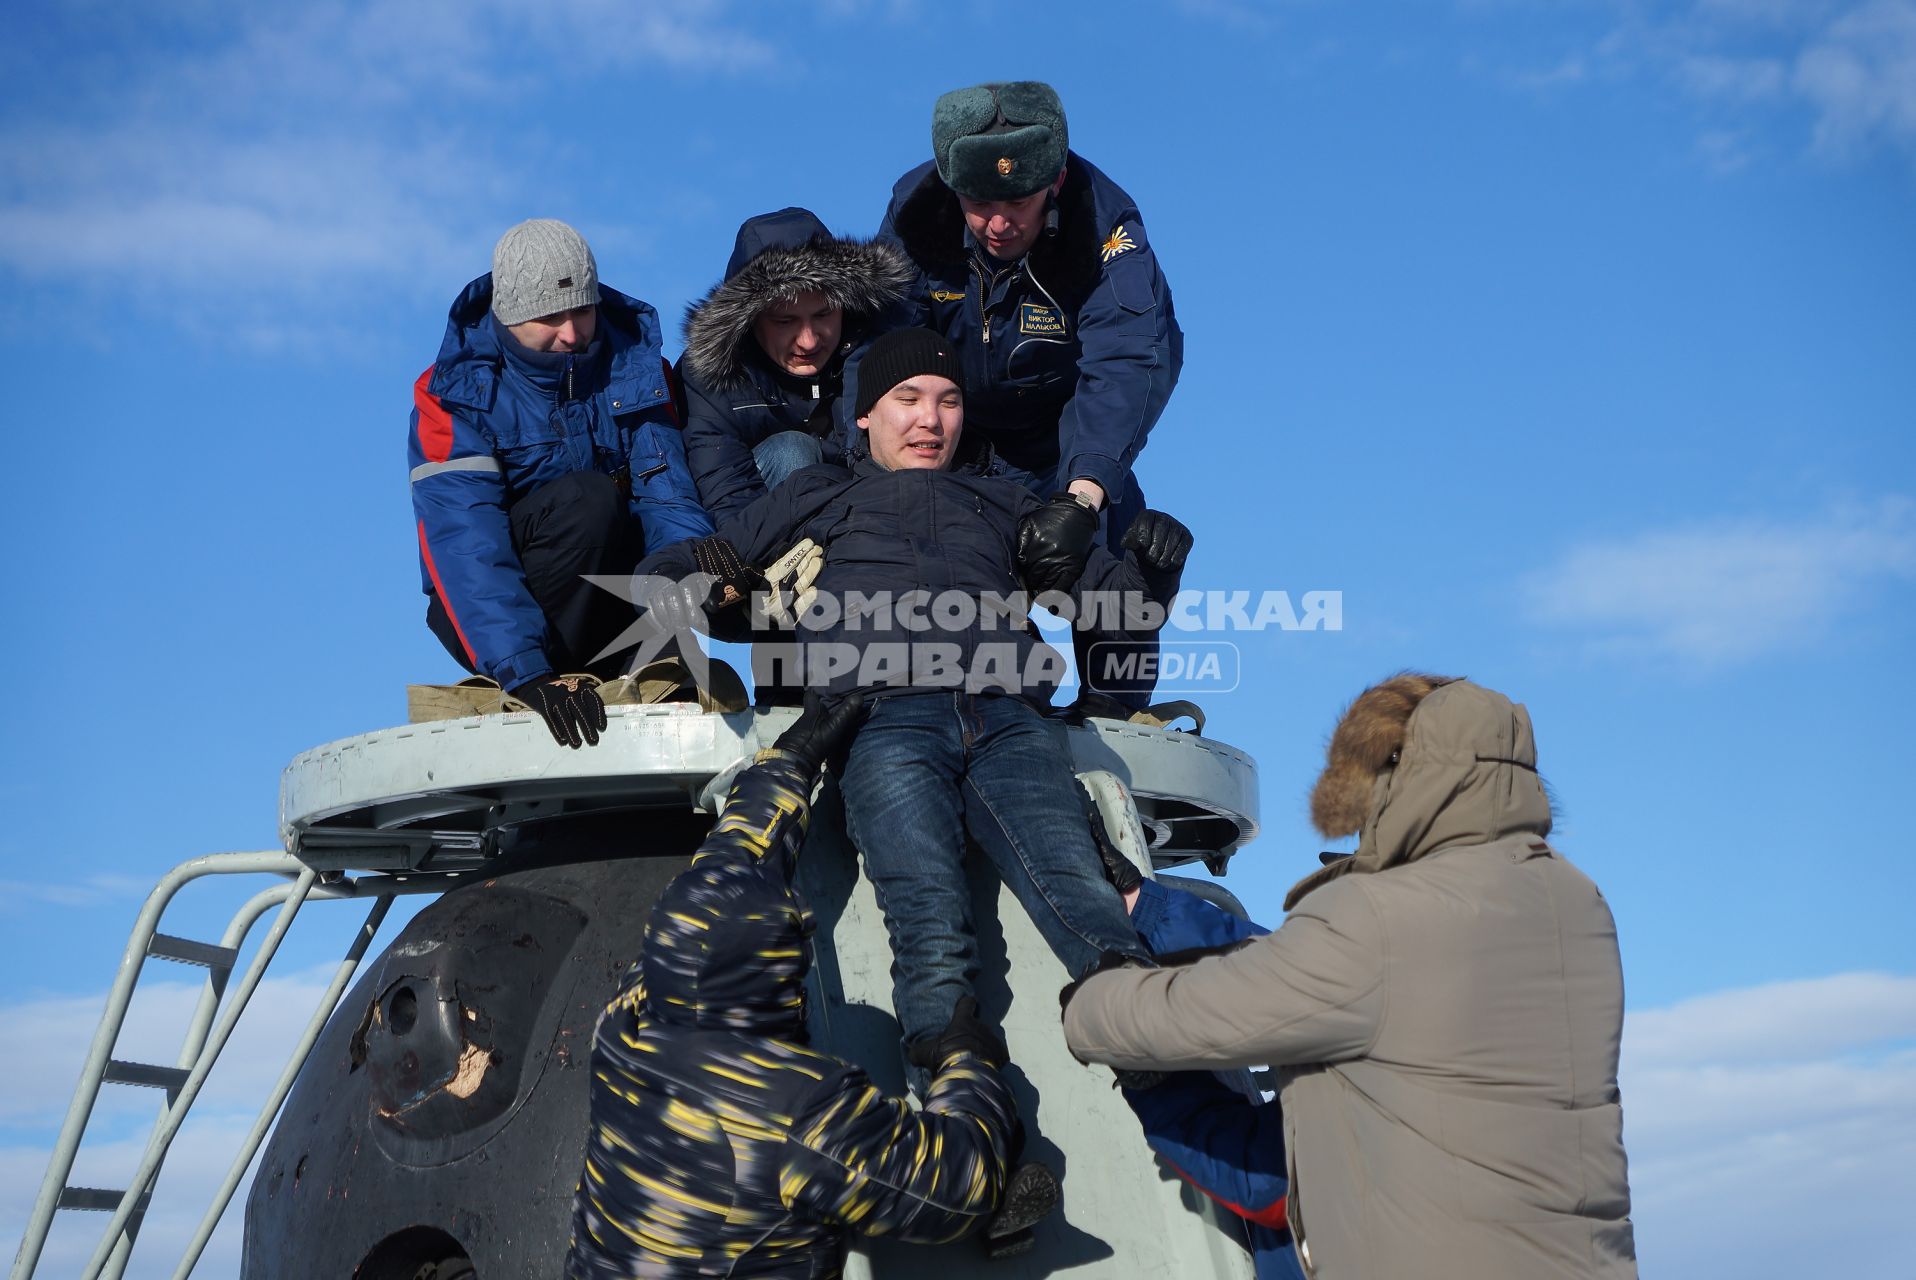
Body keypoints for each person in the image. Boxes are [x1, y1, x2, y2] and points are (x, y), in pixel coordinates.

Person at [632, 327, 1190, 1088]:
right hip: (883, 720)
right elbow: (666, 573)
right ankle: (965, 1127)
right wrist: (705, 576)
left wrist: (1156, 572)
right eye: (908, 400)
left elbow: (1112, 602)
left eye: (948, 400)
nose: (930, 420)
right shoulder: (818, 493)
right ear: (864, 415)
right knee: (926, 915)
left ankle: (1158, 1064)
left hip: (1009, 719)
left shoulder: (1005, 502)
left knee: (1081, 892)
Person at [1062, 675, 1639, 1279]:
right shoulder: (1570, 908)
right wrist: (1152, 905)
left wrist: (1105, 1018)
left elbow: (1268, 1179)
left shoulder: (1381, 921)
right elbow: (1313, 972)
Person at [566, 692, 1058, 1278]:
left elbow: (726, 867)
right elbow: (961, 1186)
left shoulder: (630, 1019)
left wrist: (789, 762)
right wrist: (967, 1064)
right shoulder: (800, 1117)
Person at [875, 81, 1182, 712]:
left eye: (1018, 201)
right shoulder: (914, 212)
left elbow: (1124, 364)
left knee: (1106, 537)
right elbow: (882, 354)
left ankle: (1116, 706)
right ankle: (993, 692)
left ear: (1056, 179)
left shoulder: (1107, 228)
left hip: (1069, 420)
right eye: (979, 202)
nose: (997, 223)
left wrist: (1083, 494)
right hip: (959, 423)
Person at [408, 218, 715, 749]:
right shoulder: (452, 397)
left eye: (583, 311)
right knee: (589, 500)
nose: (571, 334)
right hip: (494, 616)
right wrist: (524, 669)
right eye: (550, 318)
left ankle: (631, 660)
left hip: (611, 598)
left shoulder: (638, 372)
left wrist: (677, 605)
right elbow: (465, 545)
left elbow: (667, 498)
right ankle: (550, 667)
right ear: (508, 314)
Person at [680, 207, 913, 521]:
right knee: (792, 451)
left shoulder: (880, 349)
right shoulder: (712, 373)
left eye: (823, 315)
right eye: (785, 321)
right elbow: (726, 492)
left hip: (869, 521)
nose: (809, 341)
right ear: (749, 320)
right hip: (764, 534)